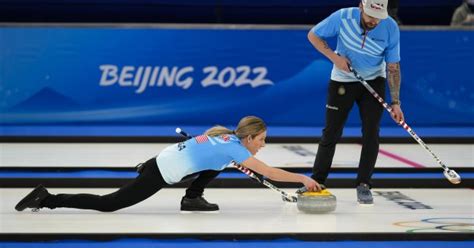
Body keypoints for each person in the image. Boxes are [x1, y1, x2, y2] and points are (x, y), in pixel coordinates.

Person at [15, 116, 320, 213]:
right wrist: (302, 179)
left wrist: (149, 162)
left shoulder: (225, 138)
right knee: (109, 204)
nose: (263, 144)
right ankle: (48, 198)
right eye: (262, 139)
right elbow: (268, 172)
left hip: (159, 159)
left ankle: (191, 198)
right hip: (160, 171)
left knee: (217, 165)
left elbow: (191, 149)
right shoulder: (237, 150)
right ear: (250, 137)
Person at [307, 0, 403, 205]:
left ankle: (364, 184)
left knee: (371, 132)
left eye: (378, 17)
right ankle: (316, 181)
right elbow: (313, 35)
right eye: (370, 16)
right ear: (361, 7)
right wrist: (335, 58)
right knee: (331, 132)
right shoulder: (343, 16)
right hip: (342, 79)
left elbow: (393, 66)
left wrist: (395, 102)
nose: (374, 21)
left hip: (374, 81)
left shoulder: (390, 27)